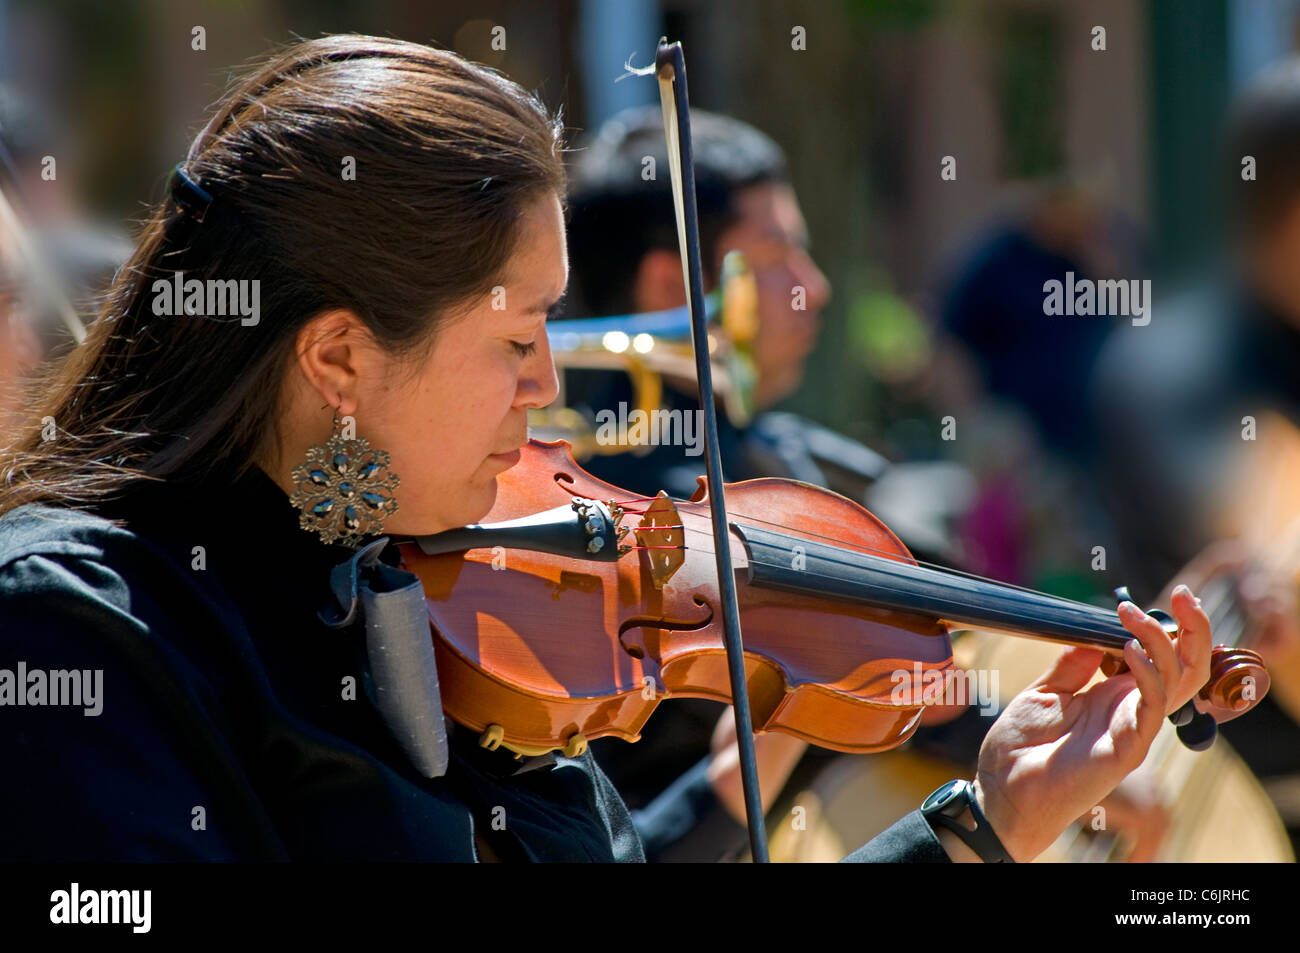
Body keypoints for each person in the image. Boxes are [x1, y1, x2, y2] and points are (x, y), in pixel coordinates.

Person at [0, 34, 1212, 863]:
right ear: (338, 360)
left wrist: (987, 813)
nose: (549, 381)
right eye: (520, 333)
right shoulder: (78, 625)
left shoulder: (425, 590)